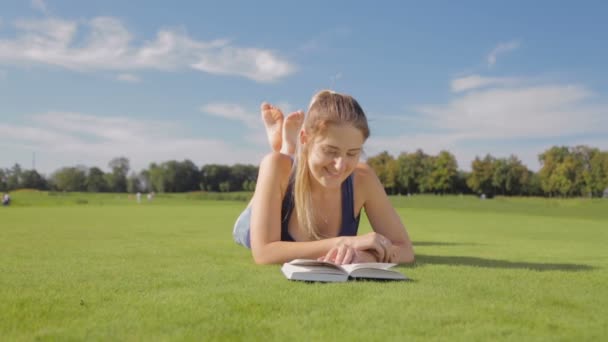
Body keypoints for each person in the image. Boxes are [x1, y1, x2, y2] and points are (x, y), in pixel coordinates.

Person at [233, 90, 414, 265]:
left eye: (352, 153)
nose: (340, 166)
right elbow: (264, 253)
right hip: (251, 222)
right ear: (304, 138)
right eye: (330, 151)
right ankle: (286, 149)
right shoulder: (275, 166)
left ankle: (289, 149)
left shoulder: (363, 178)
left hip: (295, 168)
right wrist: (345, 243)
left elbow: (405, 249)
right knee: (273, 170)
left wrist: (369, 257)